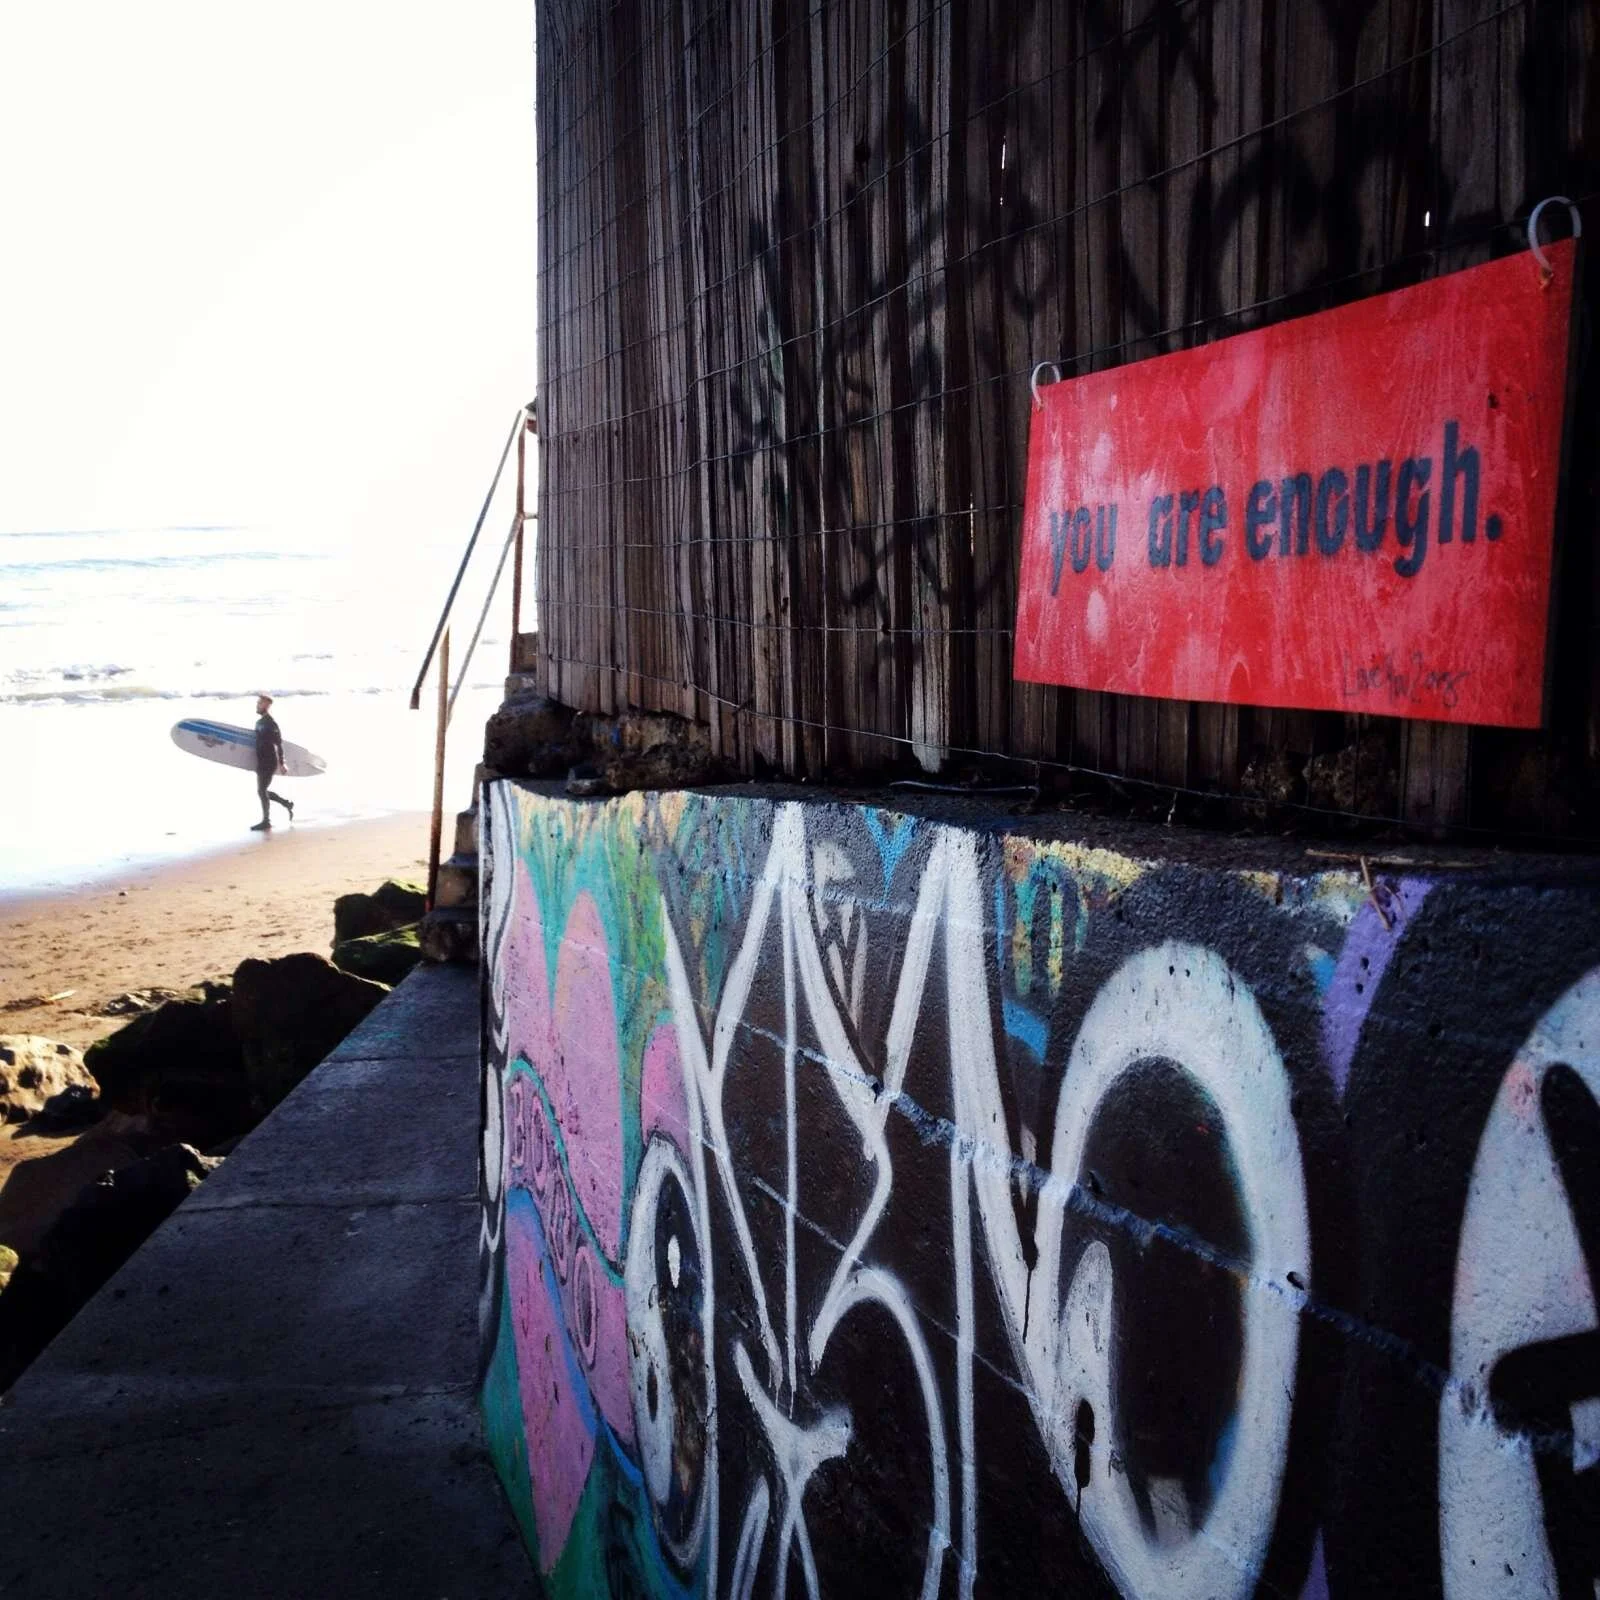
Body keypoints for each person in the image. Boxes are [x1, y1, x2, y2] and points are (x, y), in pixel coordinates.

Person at [251, 694, 295, 831]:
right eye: (258, 703)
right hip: (261, 761)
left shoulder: (271, 723)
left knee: (262, 790)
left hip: (269, 761)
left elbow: (279, 744)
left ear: (266, 705)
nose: (257, 705)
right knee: (262, 791)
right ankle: (286, 804)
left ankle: (266, 821)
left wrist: (282, 763)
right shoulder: (259, 723)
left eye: (259, 703)